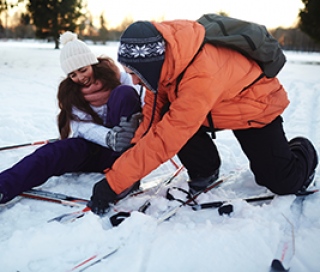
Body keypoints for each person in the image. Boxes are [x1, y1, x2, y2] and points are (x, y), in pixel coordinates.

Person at [88, 19, 318, 215]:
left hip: (254, 108)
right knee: (170, 113)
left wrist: (113, 183)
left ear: (149, 64)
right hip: (213, 109)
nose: (134, 81)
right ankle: (205, 168)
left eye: (135, 74)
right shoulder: (160, 67)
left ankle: (303, 149)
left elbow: (167, 137)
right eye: (130, 73)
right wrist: (129, 167)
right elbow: (151, 120)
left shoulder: (200, 73)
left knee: (282, 181)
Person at [0, 31, 142, 204]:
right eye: (73, 75)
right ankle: (3, 187)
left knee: (124, 93)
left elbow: (142, 102)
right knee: (51, 153)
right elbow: (81, 126)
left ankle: (126, 175)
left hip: (124, 153)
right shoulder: (71, 92)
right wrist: (109, 138)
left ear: (92, 64)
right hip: (94, 147)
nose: (80, 78)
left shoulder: (119, 77)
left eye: (83, 70)